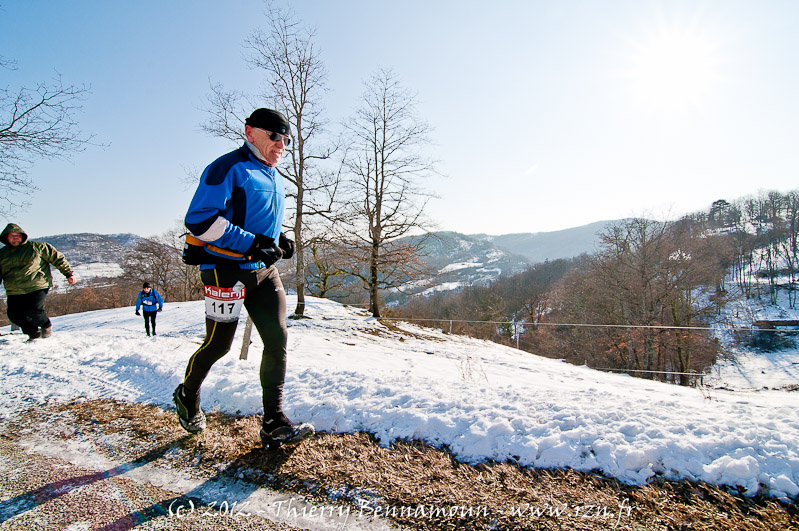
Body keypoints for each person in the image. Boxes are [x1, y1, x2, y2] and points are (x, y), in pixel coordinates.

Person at [175, 107, 313, 449]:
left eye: (286, 140)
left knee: (277, 340)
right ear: (250, 132)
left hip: (263, 272)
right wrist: (252, 243)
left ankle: (273, 422)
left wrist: (278, 238)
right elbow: (200, 220)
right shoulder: (227, 167)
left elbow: (256, 218)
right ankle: (187, 394)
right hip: (225, 271)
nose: (281, 145)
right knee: (219, 345)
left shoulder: (274, 176)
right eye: (274, 136)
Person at [0, 223, 76, 341]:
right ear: (6, 237)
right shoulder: (2, 254)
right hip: (14, 289)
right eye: (11, 235)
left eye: (17, 235)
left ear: (22, 236)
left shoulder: (37, 247)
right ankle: (33, 333)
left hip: (37, 285)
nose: (15, 238)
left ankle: (46, 325)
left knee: (34, 310)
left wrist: (69, 274)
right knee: (14, 315)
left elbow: (57, 258)